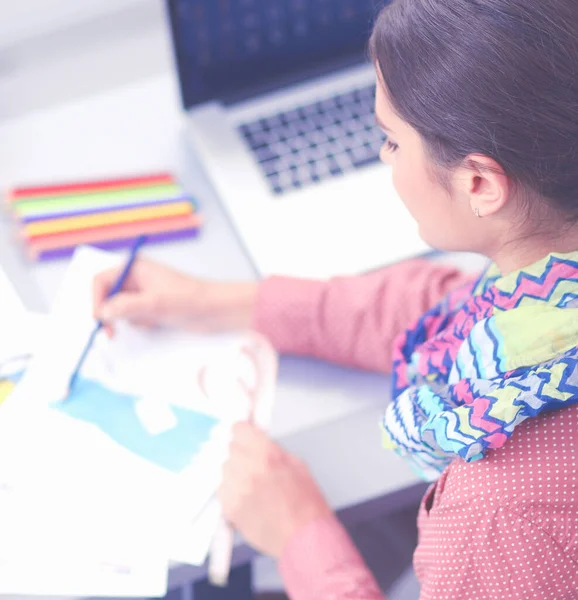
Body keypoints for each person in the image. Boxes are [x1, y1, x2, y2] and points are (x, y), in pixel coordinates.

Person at [93, 0, 578, 597]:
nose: (382, 157)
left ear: (478, 183)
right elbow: (441, 309)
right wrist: (217, 301)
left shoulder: (500, 522)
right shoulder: (548, 291)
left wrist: (301, 534)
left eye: (392, 142)